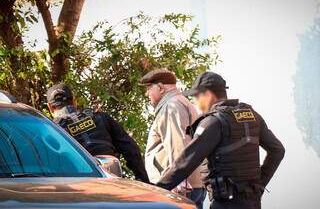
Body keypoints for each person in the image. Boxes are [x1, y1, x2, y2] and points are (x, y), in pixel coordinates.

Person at [156, 72, 285, 209]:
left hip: (226, 203)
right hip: (253, 203)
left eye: (196, 97)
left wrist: (157, 190)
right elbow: (278, 151)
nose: (195, 103)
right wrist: (259, 185)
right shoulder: (252, 115)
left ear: (208, 95)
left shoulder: (213, 122)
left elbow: (186, 162)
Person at [46, 83, 149, 183]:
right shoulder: (101, 117)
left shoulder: (51, 130)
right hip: (111, 179)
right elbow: (130, 148)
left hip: (77, 187)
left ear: (50, 107)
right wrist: (143, 179)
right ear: (74, 100)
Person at [140, 68, 206, 209]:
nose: (147, 94)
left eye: (149, 88)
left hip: (179, 189)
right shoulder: (181, 103)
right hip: (191, 184)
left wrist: (179, 184)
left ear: (160, 87)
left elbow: (178, 146)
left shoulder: (171, 106)